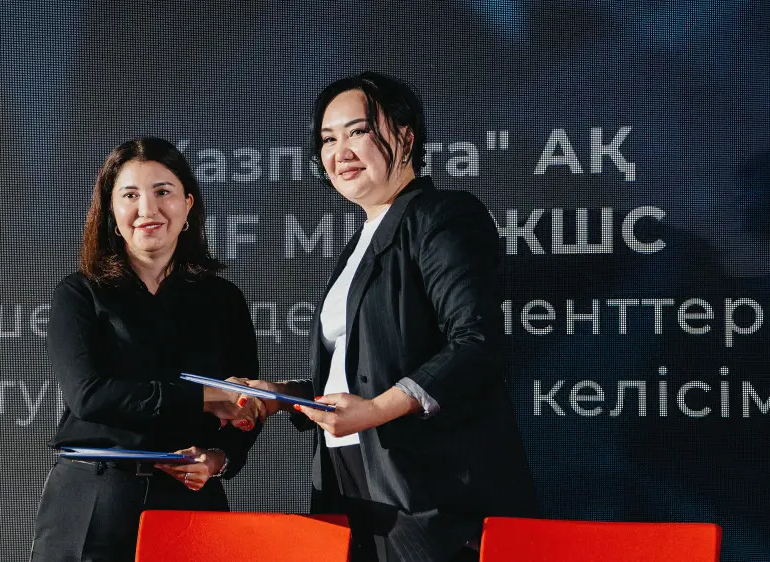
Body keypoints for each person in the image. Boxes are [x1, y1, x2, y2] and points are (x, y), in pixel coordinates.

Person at [237, 72, 541, 562]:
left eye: (358, 131)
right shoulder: (360, 240)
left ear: (405, 136)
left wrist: (376, 410)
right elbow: (362, 372)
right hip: (352, 482)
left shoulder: (441, 215)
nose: (340, 151)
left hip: (426, 490)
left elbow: (475, 343)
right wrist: (283, 395)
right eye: (328, 139)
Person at [29, 137, 264, 562]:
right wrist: (203, 397)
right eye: (130, 195)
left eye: (163, 192)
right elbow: (89, 396)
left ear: (188, 205)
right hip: (94, 496)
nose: (147, 209)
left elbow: (244, 401)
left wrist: (218, 458)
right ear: (111, 211)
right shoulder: (80, 294)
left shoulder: (223, 299)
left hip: (190, 498)